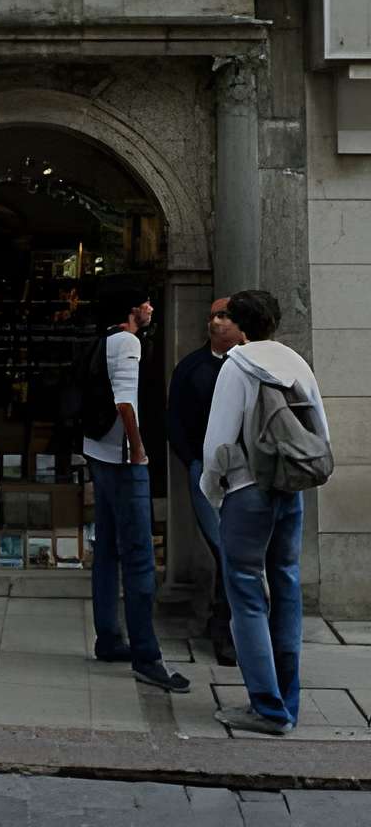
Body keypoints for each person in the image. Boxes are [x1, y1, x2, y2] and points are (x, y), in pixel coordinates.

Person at [201, 287, 330, 736]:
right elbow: (320, 430)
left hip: (246, 489)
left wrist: (212, 490)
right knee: (287, 584)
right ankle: (288, 700)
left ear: (238, 324)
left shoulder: (237, 366)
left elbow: (219, 441)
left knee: (246, 594)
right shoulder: (296, 363)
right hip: (288, 489)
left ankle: (266, 706)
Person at [83, 277, 189, 694]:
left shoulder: (102, 340)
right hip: (125, 461)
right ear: (131, 310)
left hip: (98, 453)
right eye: (144, 302)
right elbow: (125, 402)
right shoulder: (128, 343)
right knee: (141, 557)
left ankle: (109, 636)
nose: (149, 308)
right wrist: (139, 450)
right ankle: (148, 656)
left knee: (107, 550)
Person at [167, 295, 243, 665]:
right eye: (214, 315)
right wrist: (194, 461)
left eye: (226, 316)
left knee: (237, 551)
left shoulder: (252, 365)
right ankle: (223, 627)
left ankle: (224, 621)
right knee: (223, 549)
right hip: (205, 469)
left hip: (247, 472)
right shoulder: (191, 368)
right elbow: (175, 420)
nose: (218, 322)